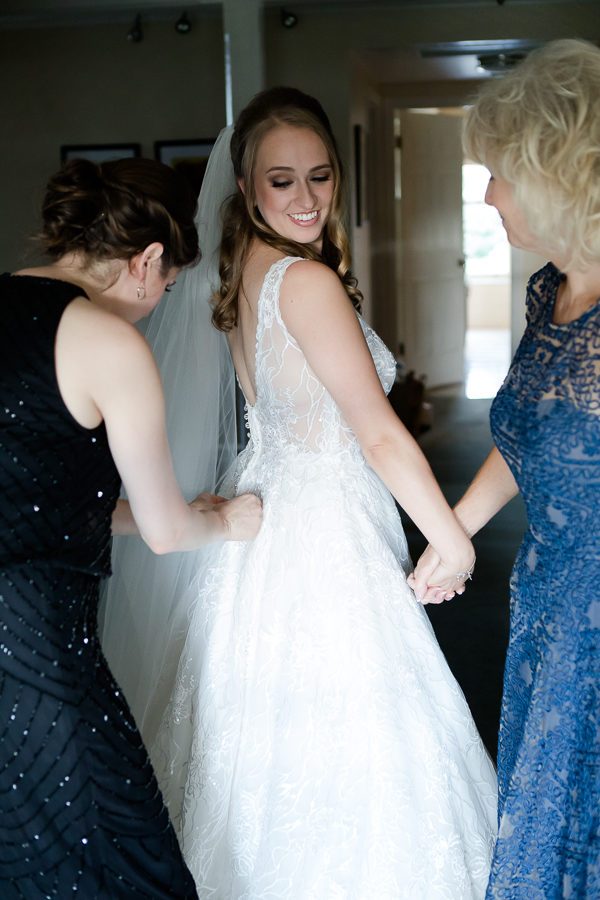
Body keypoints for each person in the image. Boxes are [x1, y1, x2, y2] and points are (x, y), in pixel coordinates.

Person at [144, 87, 497, 899]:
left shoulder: (246, 278)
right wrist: (453, 538)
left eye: (321, 176)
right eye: (282, 181)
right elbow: (376, 433)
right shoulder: (305, 283)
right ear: (247, 189)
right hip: (325, 535)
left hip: (269, 524)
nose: (306, 198)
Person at [0, 155, 262, 899]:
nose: (159, 302)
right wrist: (225, 521)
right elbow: (166, 533)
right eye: (169, 285)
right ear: (146, 262)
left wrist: (181, 515)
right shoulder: (109, 344)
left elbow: (41, 500)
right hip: (37, 654)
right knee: (119, 852)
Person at [412, 39, 600, 898]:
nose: (487, 193)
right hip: (547, 604)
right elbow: (530, 437)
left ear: (558, 172)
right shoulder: (546, 291)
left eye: (500, 172)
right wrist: (452, 533)